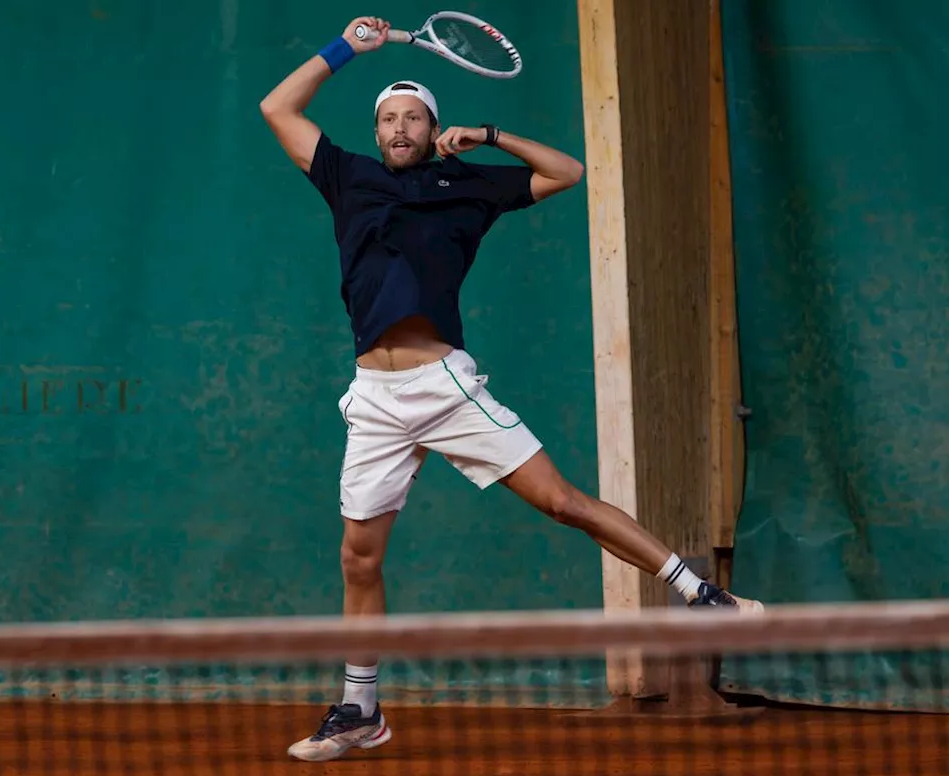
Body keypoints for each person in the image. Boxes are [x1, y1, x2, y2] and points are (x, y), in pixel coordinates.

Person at [259, 15, 765, 764]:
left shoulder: (469, 188)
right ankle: (361, 710)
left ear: (433, 128)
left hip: (443, 385)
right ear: (377, 132)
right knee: (358, 560)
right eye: (388, 119)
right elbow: (278, 109)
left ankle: (701, 594)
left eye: (413, 118)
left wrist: (490, 134)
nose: (399, 127)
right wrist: (344, 48)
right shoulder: (346, 176)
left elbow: (567, 172)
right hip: (373, 396)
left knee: (563, 502)